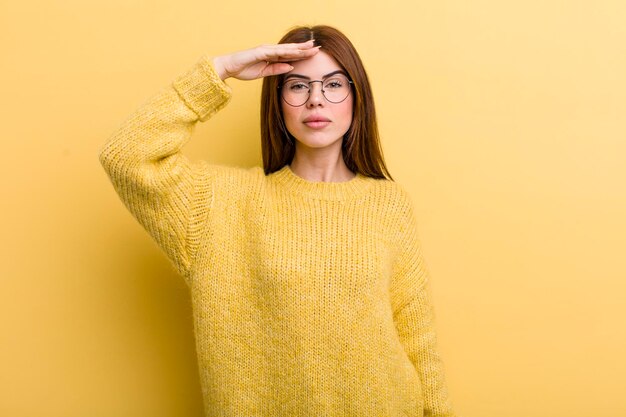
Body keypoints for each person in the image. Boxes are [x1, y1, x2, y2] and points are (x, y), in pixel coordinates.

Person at [99, 24, 457, 417]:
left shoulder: (389, 203)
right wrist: (222, 69)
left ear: (357, 99)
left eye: (334, 84)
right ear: (277, 99)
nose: (316, 100)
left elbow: (416, 336)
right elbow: (126, 155)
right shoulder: (220, 204)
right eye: (298, 86)